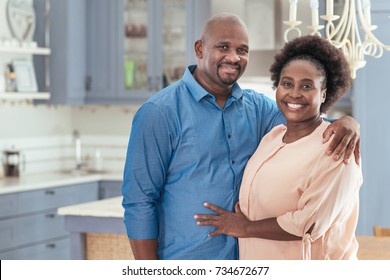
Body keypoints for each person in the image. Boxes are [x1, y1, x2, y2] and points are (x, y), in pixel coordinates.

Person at [121, 13, 360, 260]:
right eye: (223, 47)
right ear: (200, 48)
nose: (233, 57)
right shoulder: (159, 113)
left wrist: (349, 123)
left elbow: (306, 124)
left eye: (242, 50)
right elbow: (139, 203)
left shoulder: (258, 108)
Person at [194, 34, 363, 260]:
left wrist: (245, 228)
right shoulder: (273, 136)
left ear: (323, 94)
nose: (294, 93)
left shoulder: (336, 149)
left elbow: (310, 224)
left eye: (306, 86)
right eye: (287, 83)